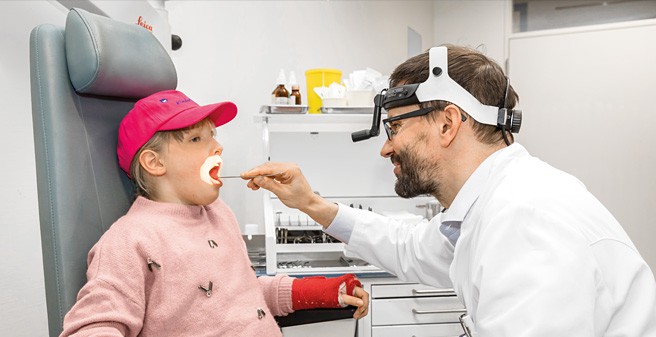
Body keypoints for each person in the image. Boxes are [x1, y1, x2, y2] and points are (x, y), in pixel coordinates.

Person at [242, 45, 656, 336]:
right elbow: (410, 248)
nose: (386, 146)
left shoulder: (526, 218)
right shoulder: (487, 207)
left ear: (447, 123)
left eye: (395, 127)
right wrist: (312, 205)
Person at [60, 90, 369, 337]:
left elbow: (241, 294)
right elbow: (94, 326)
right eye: (197, 139)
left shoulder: (219, 213)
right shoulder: (130, 240)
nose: (217, 147)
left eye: (213, 136)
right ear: (154, 163)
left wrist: (320, 290)